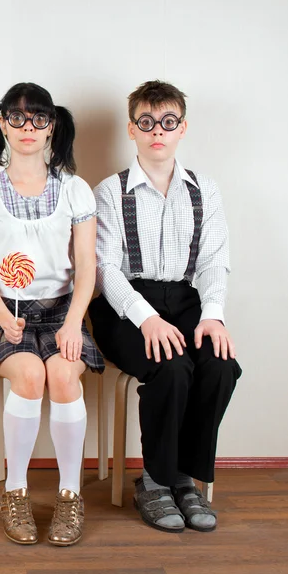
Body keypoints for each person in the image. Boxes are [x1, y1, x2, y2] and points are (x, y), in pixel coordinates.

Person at [89, 80, 242, 533]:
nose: (158, 130)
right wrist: (146, 318)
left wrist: (212, 314)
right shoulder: (110, 192)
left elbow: (215, 260)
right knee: (169, 367)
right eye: (147, 122)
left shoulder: (204, 191)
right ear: (132, 129)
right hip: (125, 306)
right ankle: (155, 482)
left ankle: (184, 477)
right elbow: (104, 269)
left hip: (186, 299)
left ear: (182, 129)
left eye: (168, 122)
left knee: (220, 365)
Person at [0, 82, 104, 546]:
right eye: (18, 117)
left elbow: (86, 269)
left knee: (64, 377)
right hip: (5, 312)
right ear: (2, 122)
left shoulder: (75, 191)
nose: (28, 127)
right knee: (28, 376)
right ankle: (17, 490)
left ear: (52, 127)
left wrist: (71, 323)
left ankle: (69, 495)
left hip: (64, 310)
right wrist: (3, 318)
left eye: (39, 118)